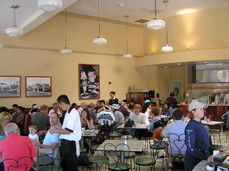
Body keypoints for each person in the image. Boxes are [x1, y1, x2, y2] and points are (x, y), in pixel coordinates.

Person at [49, 95, 81, 171]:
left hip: (70, 143)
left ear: (62, 103)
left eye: (59, 105)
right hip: (65, 142)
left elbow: (68, 130)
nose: (60, 107)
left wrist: (54, 130)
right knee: (65, 166)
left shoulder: (73, 113)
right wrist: (58, 129)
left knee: (70, 166)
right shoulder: (67, 112)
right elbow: (65, 128)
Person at [184, 101, 214, 171]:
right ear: (193, 112)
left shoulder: (199, 124)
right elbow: (190, 147)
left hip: (202, 158)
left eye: (203, 109)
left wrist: (216, 150)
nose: (203, 111)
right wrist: (206, 157)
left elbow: (205, 143)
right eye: (200, 109)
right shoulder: (191, 126)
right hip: (194, 161)